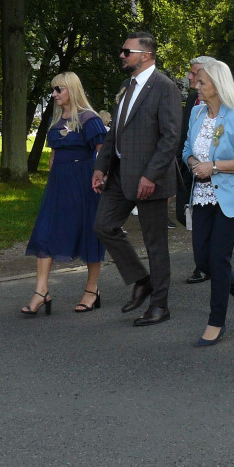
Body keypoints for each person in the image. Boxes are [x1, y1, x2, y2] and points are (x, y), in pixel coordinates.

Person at [92, 31, 182, 326]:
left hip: (149, 179)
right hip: (119, 174)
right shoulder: (126, 86)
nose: (121, 55)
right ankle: (141, 279)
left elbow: (170, 138)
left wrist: (151, 175)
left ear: (146, 56)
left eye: (126, 51)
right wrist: (101, 167)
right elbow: (114, 131)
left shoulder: (164, 87)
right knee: (103, 226)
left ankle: (160, 306)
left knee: (155, 244)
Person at [182, 60, 234, 347]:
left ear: (218, 85)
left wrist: (213, 166)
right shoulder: (196, 114)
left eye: (202, 82)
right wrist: (193, 162)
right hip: (202, 196)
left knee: (218, 259)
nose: (196, 87)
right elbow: (187, 150)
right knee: (203, 260)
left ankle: (216, 322)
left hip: (230, 198)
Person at [23, 73, 108, 315]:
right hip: (58, 184)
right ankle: (41, 291)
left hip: (84, 183)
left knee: (89, 234)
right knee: (45, 232)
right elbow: (52, 156)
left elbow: (104, 154)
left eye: (58, 89)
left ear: (71, 89)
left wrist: (101, 179)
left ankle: (92, 290)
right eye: (53, 90)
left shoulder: (90, 119)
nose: (54, 94)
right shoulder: (56, 120)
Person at [177, 55, 216, 285]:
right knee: (184, 214)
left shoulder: (229, 107)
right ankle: (207, 258)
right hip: (188, 167)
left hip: (215, 172)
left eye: (195, 74)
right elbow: (186, 134)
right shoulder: (192, 100)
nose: (191, 77)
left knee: (203, 218)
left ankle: (204, 265)